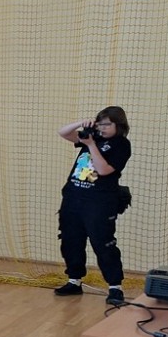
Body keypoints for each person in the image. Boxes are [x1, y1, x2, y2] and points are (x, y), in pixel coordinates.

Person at [54, 105, 131, 305]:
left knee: (103, 243)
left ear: (118, 125)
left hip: (99, 203)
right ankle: (74, 280)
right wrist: (82, 123)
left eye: (107, 124)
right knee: (71, 240)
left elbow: (104, 170)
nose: (102, 128)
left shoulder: (121, 145)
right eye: (99, 124)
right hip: (73, 198)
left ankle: (115, 287)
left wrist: (91, 145)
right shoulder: (92, 137)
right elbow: (63, 132)